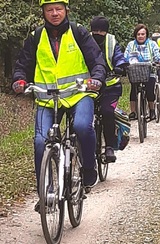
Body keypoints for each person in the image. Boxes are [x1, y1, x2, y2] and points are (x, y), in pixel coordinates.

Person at [12, 0, 107, 211]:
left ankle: (89, 168)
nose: (54, 13)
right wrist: (19, 80)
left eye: (59, 9)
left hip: (78, 95)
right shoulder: (36, 37)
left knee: (82, 126)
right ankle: (46, 193)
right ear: (44, 13)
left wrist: (97, 78)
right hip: (47, 98)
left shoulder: (79, 33)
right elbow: (23, 65)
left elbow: (97, 61)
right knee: (40, 142)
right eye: (49, 10)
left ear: (66, 10)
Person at [90, 16, 128, 162]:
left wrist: (121, 66)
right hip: (90, 86)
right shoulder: (85, 40)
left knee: (107, 112)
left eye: (101, 31)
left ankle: (110, 147)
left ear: (106, 31)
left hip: (110, 86)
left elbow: (118, 56)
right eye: (95, 30)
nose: (98, 33)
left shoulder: (112, 42)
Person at [124, 24, 160, 121]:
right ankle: (133, 112)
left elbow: (158, 55)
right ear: (135, 35)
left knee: (150, 89)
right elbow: (125, 56)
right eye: (138, 34)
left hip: (149, 71)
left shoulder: (152, 44)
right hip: (135, 72)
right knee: (133, 89)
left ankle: (152, 110)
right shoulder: (131, 45)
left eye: (143, 34)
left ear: (146, 35)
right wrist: (125, 62)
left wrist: (159, 61)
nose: (141, 36)